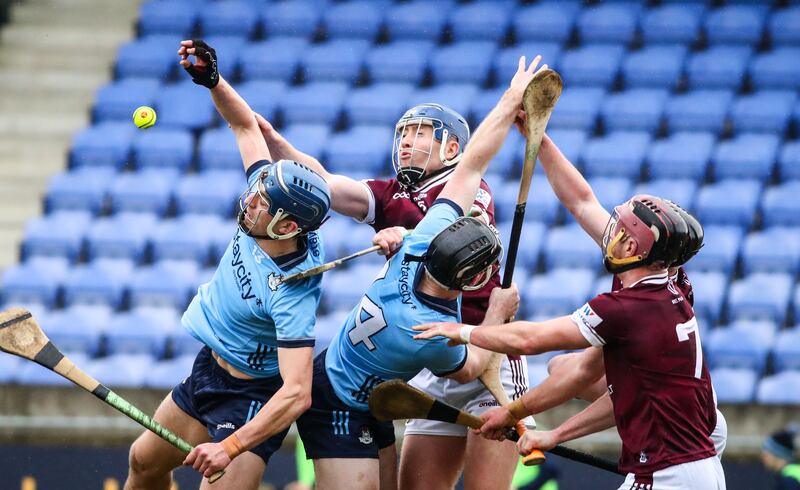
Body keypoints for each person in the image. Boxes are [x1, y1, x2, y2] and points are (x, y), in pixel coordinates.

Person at [254, 57, 543, 490]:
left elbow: (458, 243)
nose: (407, 141)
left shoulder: (471, 193)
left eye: (421, 132)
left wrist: (405, 236)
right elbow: (328, 187)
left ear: (451, 149)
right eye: (404, 133)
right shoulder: (393, 194)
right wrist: (276, 142)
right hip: (433, 354)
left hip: (488, 352)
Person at [415, 143, 726, 488]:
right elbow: (581, 202)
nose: (612, 233)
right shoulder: (666, 285)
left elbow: (532, 340)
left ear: (634, 247)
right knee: (559, 367)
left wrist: (463, 332)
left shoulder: (628, 307)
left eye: (620, 230)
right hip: (697, 448)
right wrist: (540, 141)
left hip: (671, 467)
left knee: (566, 368)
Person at [123, 40, 332, 490]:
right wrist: (213, 80)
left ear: (287, 225)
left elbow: (296, 393)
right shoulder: (269, 195)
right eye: (255, 193)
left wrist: (231, 446)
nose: (249, 200)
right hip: (210, 371)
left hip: (253, 400)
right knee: (143, 462)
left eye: (261, 204)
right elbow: (244, 126)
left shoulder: (293, 292)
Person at [762, 425, 800, 490]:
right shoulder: (794, 473)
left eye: (766, 453)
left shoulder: (790, 481)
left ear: (777, 454)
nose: (763, 457)